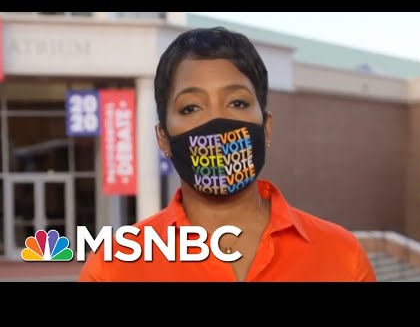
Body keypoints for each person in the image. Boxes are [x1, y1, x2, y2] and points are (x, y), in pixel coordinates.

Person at [78, 26, 376, 282]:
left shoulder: (341, 256)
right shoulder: (114, 267)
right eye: (191, 108)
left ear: (266, 127)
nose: (216, 122)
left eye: (237, 103)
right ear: (164, 138)